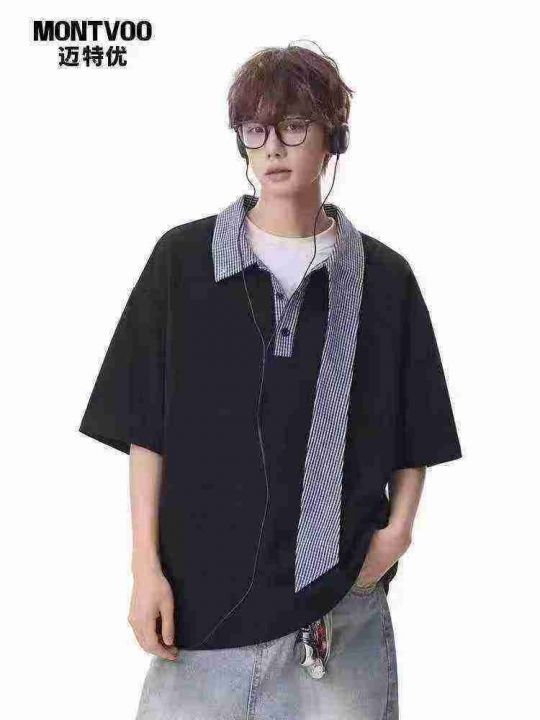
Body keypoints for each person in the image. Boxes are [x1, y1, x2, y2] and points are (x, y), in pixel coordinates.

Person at [79, 41, 462, 720]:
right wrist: (144, 567)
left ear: (333, 137)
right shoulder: (184, 261)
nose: (273, 147)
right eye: (255, 130)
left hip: (336, 610)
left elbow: (418, 426)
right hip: (199, 609)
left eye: (294, 126)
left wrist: (395, 535)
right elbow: (145, 427)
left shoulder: (383, 279)